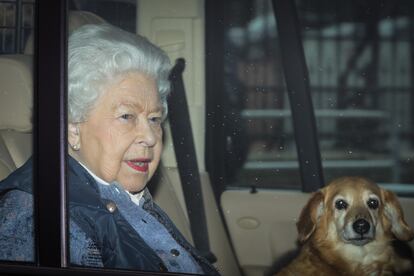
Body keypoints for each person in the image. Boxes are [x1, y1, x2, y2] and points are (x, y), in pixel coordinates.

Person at [0, 24, 218, 275]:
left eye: (155, 119)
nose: (149, 137)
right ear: (72, 127)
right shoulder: (41, 218)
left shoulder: (126, 198)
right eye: (127, 116)